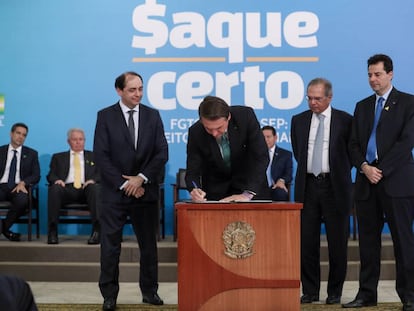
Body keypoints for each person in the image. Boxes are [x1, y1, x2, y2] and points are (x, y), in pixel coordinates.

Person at [344, 54, 414, 310]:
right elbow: (352, 144)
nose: (373, 79)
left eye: (378, 74)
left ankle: (409, 295)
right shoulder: (362, 106)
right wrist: (364, 167)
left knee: (403, 241)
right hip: (365, 183)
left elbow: (406, 143)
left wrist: (379, 170)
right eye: (370, 75)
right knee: (367, 243)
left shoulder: (408, 103)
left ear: (391, 74)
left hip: (396, 183)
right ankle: (366, 294)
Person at [93, 71, 168, 311]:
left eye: (140, 89)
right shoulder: (105, 116)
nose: (138, 94)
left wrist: (141, 179)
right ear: (119, 91)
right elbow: (101, 157)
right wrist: (126, 183)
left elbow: (161, 153)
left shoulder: (153, 116)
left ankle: (149, 292)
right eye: (132, 90)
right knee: (110, 246)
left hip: (145, 191)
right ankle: (109, 295)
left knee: (148, 246)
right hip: (115, 193)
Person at [290, 78, 352, 305]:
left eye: (317, 98)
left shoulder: (346, 120)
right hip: (307, 186)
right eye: (309, 98)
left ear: (329, 97)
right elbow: (299, 152)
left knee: (337, 244)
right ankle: (310, 291)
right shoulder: (298, 120)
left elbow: (349, 154)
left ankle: (334, 292)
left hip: (335, 187)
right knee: (307, 243)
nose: (312, 103)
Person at [185, 95, 269, 202]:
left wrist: (248, 194)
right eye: (208, 129)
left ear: (228, 117)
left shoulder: (245, 117)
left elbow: (260, 156)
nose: (214, 133)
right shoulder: (196, 132)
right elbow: (192, 170)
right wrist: (195, 189)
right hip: (217, 195)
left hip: (251, 190)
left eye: (219, 128)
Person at [46, 128, 100, 245]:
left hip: (86, 190)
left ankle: (97, 231)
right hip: (66, 190)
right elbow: (51, 175)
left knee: (95, 188)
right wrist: (57, 180)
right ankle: (52, 231)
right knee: (54, 188)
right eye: (74, 139)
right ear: (68, 141)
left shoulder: (94, 156)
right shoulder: (58, 157)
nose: (78, 142)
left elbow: (102, 174)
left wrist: (93, 180)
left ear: (84, 141)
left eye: (81, 139)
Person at [0, 122, 40, 242]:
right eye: (18, 133)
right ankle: (6, 231)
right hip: (1, 186)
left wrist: (23, 183)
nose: (20, 137)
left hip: (19, 187)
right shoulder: (0, 151)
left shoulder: (32, 153)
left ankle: (2, 228)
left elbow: (36, 175)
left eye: (24, 135)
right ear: (11, 134)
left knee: (23, 200)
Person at [261, 125, 293, 201]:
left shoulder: (285, 154)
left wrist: (281, 180)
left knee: (280, 193)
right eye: (263, 137)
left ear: (275, 138)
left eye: (268, 137)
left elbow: (288, 174)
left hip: (276, 186)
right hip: (259, 187)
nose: (265, 140)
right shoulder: (255, 154)